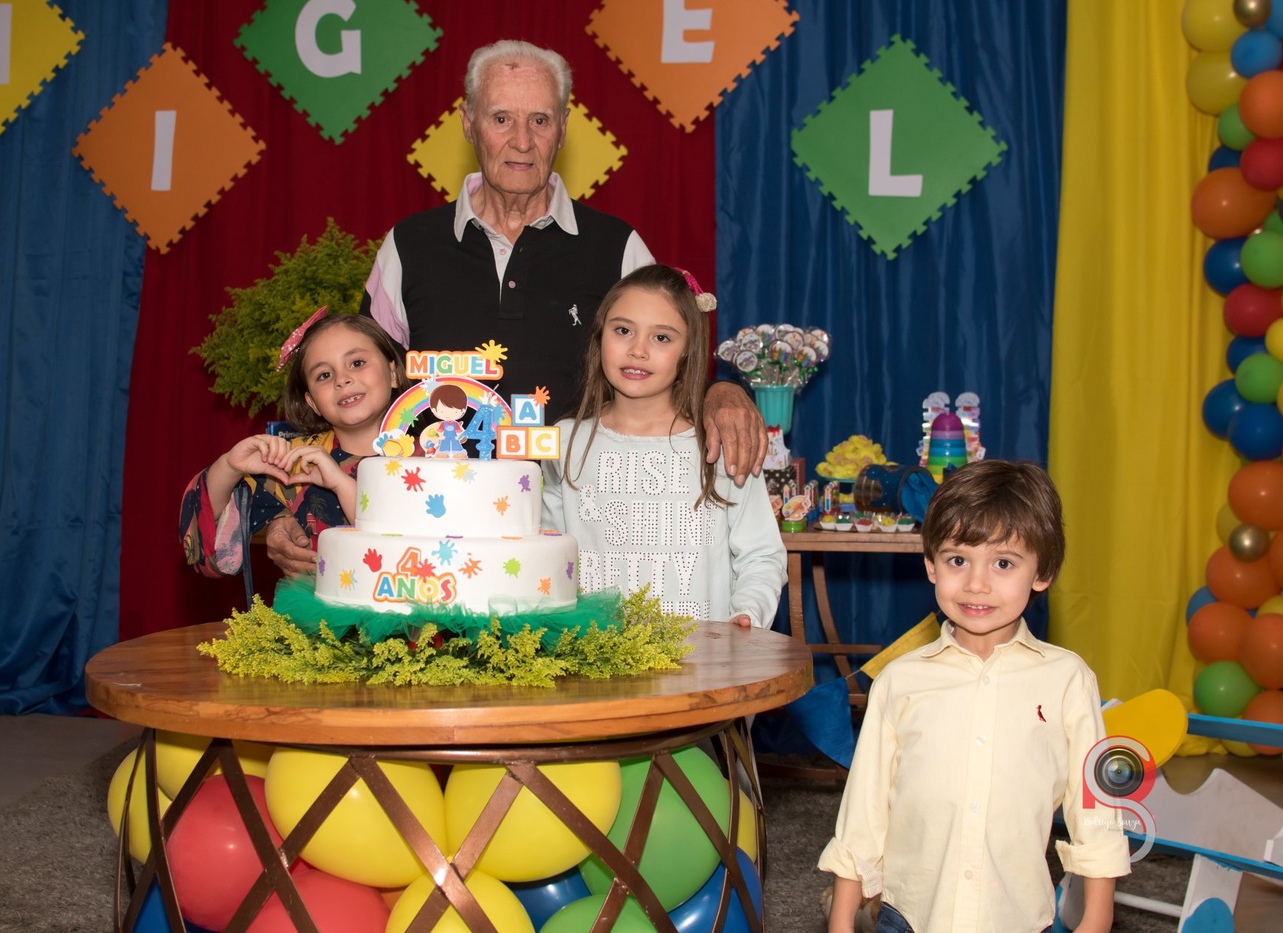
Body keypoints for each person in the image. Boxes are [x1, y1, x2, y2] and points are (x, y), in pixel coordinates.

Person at [264, 38, 765, 575]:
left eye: (540, 121)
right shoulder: (406, 247)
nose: (522, 141)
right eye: (501, 118)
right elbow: (357, 398)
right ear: (468, 123)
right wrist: (284, 508)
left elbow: (671, 362)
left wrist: (722, 392)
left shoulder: (618, 247)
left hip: (581, 546)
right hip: (433, 542)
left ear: (563, 130)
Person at [817, 460, 1129, 933]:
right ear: (931, 565)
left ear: (1042, 572)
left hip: (1018, 917)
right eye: (957, 560)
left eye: (1003, 563)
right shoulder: (899, 681)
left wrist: (1097, 917)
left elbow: (1095, 809)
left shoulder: (1069, 681)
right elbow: (864, 810)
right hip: (911, 915)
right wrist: (842, 920)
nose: (976, 584)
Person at [540, 264, 786, 628]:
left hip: (704, 656)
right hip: (596, 655)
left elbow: (761, 555)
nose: (638, 350)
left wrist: (747, 616)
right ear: (599, 336)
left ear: (688, 351)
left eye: (661, 338)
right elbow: (547, 551)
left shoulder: (722, 441)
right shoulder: (564, 440)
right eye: (623, 330)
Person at [180, 310, 403, 577]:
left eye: (356, 363)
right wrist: (229, 467)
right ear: (312, 403)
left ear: (393, 372)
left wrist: (341, 484)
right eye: (324, 375)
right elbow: (205, 546)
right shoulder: (297, 464)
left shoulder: (436, 453)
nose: (342, 379)